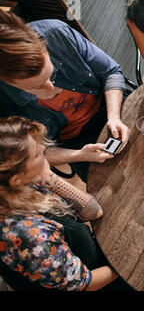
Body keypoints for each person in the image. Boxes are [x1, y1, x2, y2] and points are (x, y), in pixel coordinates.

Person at [0, 116, 133, 291]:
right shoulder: (33, 238)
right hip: (90, 278)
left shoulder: (19, 184)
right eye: (36, 153)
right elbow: (84, 283)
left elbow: (93, 211)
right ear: (16, 179)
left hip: (83, 255)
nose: (43, 149)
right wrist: (124, 264)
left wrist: (48, 176)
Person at [0, 11, 130, 182]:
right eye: (35, 87)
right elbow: (32, 154)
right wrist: (80, 155)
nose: (51, 88)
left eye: (50, 74)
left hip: (112, 104)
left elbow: (111, 72)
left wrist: (114, 117)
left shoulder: (55, 33)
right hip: (78, 142)